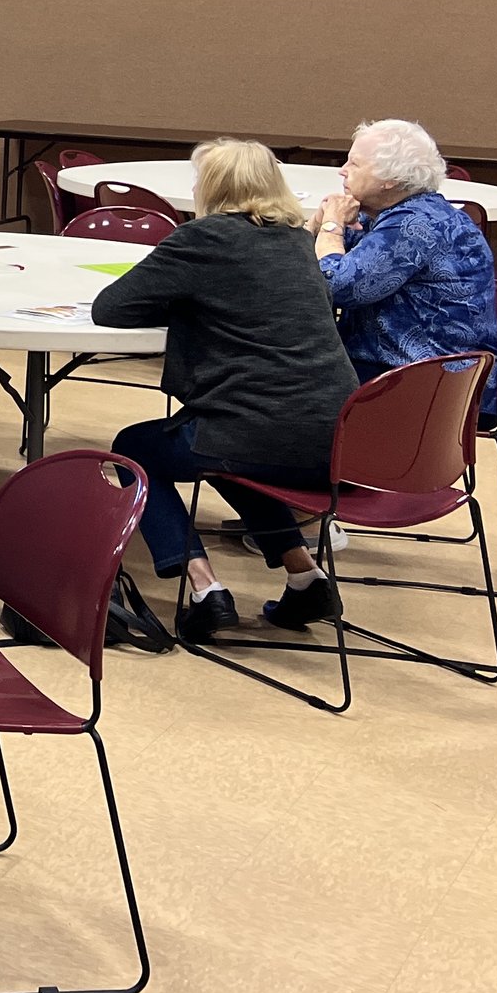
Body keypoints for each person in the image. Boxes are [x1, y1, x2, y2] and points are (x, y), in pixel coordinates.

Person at [90, 140, 358, 640]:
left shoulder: (203, 239)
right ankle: (305, 576)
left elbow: (111, 308)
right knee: (221, 448)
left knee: (134, 449)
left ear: (210, 187)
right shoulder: (301, 241)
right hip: (338, 437)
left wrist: (184, 303)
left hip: (255, 429)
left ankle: (204, 588)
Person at [313, 118, 497, 426]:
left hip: (425, 381)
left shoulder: (414, 225)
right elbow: (316, 257)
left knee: (279, 385)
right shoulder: (391, 215)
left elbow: (336, 285)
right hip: (401, 365)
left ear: (388, 178)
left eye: (354, 163)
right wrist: (318, 225)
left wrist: (331, 227)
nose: (342, 170)